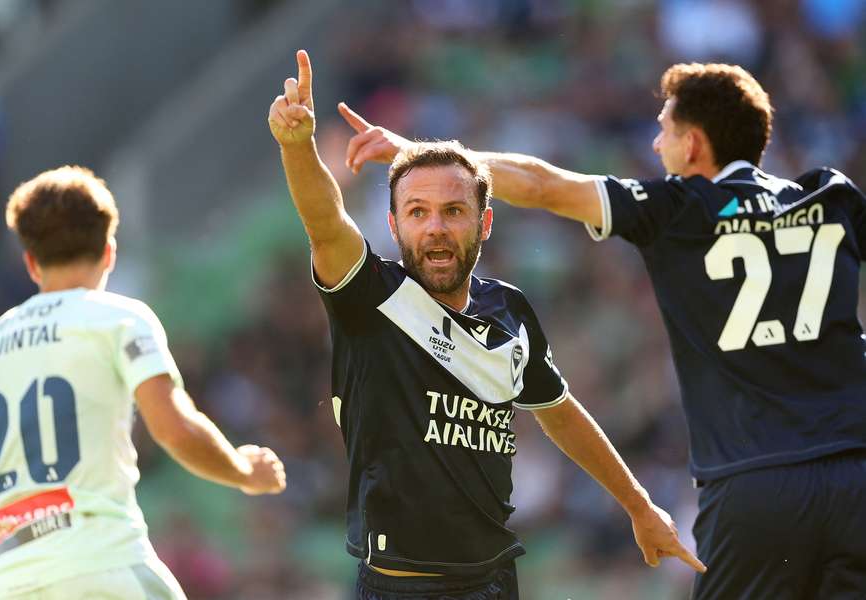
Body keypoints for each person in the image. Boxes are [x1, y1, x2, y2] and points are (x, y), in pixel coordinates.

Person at [339, 62, 866, 599]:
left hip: (755, 482)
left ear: (694, 143)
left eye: (665, 129)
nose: (657, 144)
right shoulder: (831, 195)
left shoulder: (674, 207)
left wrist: (419, 157)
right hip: (856, 473)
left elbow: (544, 185)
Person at [267, 50, 704, 600]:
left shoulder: (511, 311)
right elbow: (325, 223)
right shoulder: (370, 298)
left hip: (496, 580)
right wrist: (297, 146)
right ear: (394, 223)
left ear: (484, 221)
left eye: (453, 211)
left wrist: (640, 506)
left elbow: (560, 412)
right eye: (418, 212)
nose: (436, 229)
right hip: (402, 588)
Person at [0, 166, 287, 599]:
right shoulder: (118, 318)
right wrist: (245, 472)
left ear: (29, 262)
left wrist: (3, 583)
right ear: (109, 251)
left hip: (16, 582)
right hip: (106, 566)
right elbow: (173, 428)